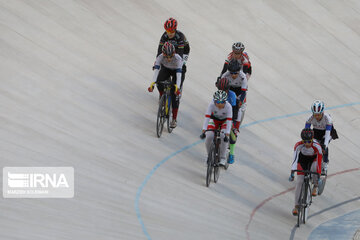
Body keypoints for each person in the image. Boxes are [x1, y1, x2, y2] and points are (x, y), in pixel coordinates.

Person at [289, 129, 323, 216]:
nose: (307, 144)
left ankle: (315, 186)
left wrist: (318, 175)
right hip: (302, 161)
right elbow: (295, 160)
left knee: (315, 168)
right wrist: (292, 172)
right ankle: (296, 206)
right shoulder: (298, 145)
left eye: (309, 141)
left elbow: (319, 162)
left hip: (313, 160)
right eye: (305, 141)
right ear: (302, 140)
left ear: (312, 139)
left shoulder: (317, 146)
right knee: (299, 182)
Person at [148, 42, 182, 128]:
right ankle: (162, 95)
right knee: (159, 81)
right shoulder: (160, 57)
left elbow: (178, 75)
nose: (169, 58)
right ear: (163, 54)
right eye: (167, 56)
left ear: (174, 53)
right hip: (166, 69)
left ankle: (174, 119)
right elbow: (156, 72)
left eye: (171, 56)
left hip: (176, 71)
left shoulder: (178, 59)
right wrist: (152, 84)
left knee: (175, 96)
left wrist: (177, 88)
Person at [200, 90, 232, 166]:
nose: (219, 105)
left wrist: (227, 133)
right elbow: (207, 117)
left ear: (225, 101)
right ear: (214, 101)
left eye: (222, 103)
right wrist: (204, 130)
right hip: (214, 120)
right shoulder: (211, 105)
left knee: (222, 136)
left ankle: (223, 157)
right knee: (209, 136)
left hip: (224, 122)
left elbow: (229, 121)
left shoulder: (228, 107)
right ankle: (209, 156)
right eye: (217, 102)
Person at [157, 17, 190, 91]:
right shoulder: (164, 36)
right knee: (164, 61)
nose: (169, 33)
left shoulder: (180, 36)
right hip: (171, 49)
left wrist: (181, 62)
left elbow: (181, 52)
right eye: (167, 31)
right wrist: (157, 61)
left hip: (183, 50)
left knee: (180, 64)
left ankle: (178, 85)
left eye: (171, 31)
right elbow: (160, 49)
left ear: (175, 29)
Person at [305, 100, 338, 171]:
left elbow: (327, 134)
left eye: (318, 114)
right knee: (311, 145)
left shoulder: (328, 119)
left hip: (327, 132)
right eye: (315, 114)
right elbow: (306, 132)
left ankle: (325, 162)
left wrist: (324, 146)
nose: (316, 116)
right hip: (316, 132)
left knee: (324, 146)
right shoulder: (309, 118)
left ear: (322, 112)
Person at [221, 59, 248, 129]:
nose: (233, 75)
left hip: (240, 91)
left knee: (240, 108)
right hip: (229, 89)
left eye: (235, 73)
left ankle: (236, 128)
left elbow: (243, 92)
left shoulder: (243, 77)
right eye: (231, 73)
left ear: (239, 71)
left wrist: (241, 101)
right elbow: (221, 89)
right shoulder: (225, 75)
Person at [215, 77, 237, 164]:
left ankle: (231, 153)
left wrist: (232, 122)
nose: (222, 92)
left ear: (228, 89)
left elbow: (235, 111)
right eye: (220, 90)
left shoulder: (232, 95)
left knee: (232, 134)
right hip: (218, 116)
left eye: (224, 90)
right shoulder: (217, 94)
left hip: (229, 117)